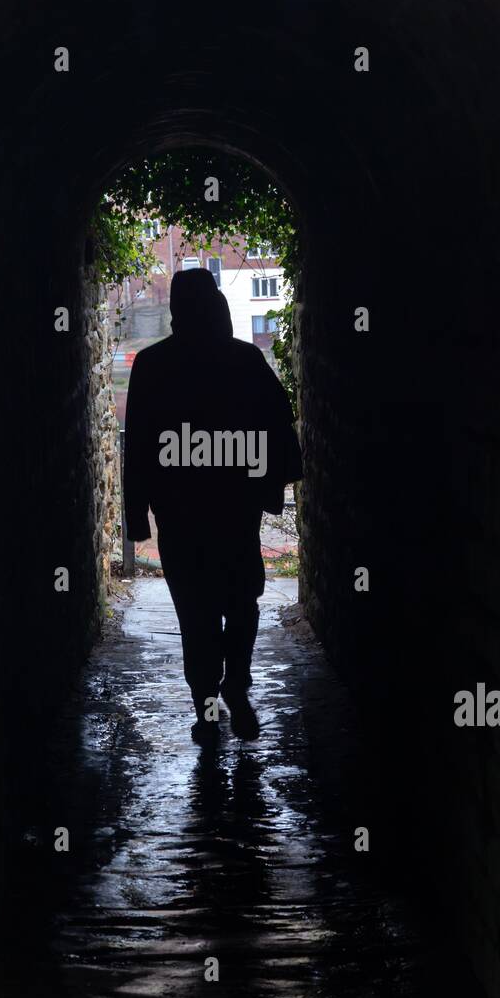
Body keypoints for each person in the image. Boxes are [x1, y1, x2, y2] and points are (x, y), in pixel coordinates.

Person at [123, 266, 302, 740]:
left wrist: (136, 512)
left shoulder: (153, 365)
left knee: (196, 612)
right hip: (234, 511)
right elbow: (278, 427)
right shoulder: (244, 360)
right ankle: (237, 685)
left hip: (179, 515)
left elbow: (139, 443)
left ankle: (206, 702)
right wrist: (269, 490)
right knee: (242, 601)